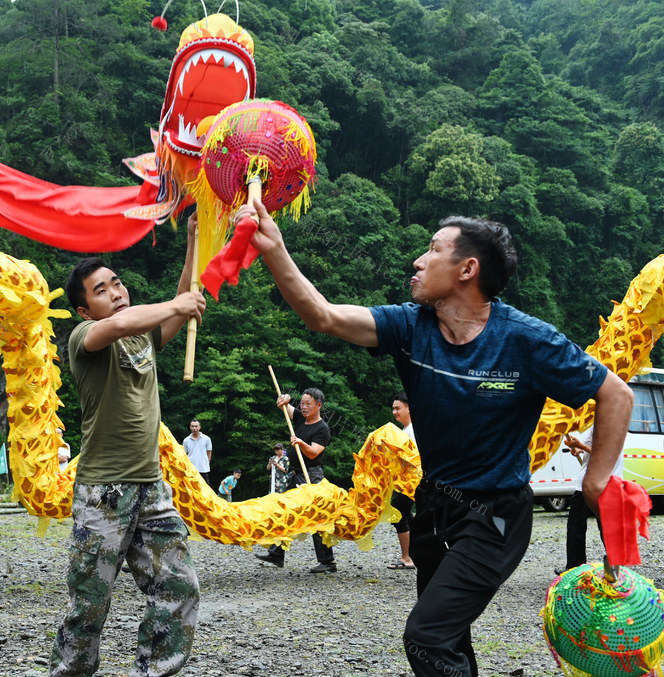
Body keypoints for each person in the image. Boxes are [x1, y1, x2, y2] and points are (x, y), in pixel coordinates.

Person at [236, 199, 633, 677]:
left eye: (432, 250)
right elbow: (323, 315)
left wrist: (595, 482)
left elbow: (616, 393)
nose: (417, 262)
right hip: (435, 509)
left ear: (467, 268)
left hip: (495, 518)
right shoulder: (409, 326)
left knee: (426, 637)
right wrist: (274, 247)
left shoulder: (527, 340)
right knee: (451, 639)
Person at [50, 215, 205, 677]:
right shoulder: (85, 338)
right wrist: (178, 302)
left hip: (151, 488)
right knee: (90, 604)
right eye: (101, 290)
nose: (116, 292)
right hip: (104, 492)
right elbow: (132, 321)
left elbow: (175, 311)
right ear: (84, 310)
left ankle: (154, 671)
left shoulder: (141, 334)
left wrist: (193, 242)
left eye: (117, 283)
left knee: (179, 586)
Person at [254, 388, 336, 573]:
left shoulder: (322, 428)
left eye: (309, 404)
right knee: (286, 511)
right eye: (302, 403)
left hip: (311, 475)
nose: (304, 407)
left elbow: (314, 452)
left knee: (316, 516)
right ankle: (277, 553)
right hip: (296, 474)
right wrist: (285, 399)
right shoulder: (299, 417)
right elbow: (284, 405)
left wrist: (300, 443)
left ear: (318, 406)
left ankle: (328, 561)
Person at [558, 427, 624, 573]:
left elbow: (606, 453)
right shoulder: (597, 421)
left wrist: (581, 446)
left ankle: (615, 566)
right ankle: (575, 566)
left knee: (605, 526)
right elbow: (590, 444)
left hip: (604, 481)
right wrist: (577, 448)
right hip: (587, 482)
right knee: (576, 525)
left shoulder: (611, 420)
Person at [387, 393, 417, 570]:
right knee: (406, 515)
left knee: (398, 512)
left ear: (409, 408)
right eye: (393, 408)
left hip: (412, 481)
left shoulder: (413, 431)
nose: (394, 412)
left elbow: (413, 459)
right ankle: (414, 555)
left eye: (398, 408)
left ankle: (407, 558)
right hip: (406, 481)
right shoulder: (406, 430)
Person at [182, 420, 212, 486]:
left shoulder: (207, 439)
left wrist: (206, 463)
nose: (194, 428)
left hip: (203, 468)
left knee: (205, 488)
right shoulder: (186, 440)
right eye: (192, 426)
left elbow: (209, 453)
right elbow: (185, 454)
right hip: (191, 468)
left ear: (200, 427)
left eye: (196, 426)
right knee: (192, 488)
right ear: (190, 427)